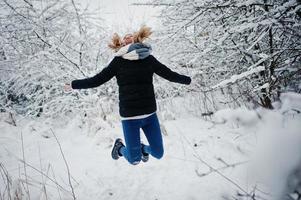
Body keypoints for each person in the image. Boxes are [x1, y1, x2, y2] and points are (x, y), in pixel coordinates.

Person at [64, 26, 191, 165]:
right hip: (130, 117)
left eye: (131, 35)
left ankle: (142, 149)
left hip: (150, 115)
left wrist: (188, 80)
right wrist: (73, 84)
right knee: (134, 159)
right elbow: (97, 80)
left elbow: (169, 74)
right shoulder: (118, 62)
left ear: (137, 38)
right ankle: (119, 148)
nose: (128, 37)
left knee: (158, 153)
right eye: (125, 37)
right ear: (122, 43)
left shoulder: (149, 59)